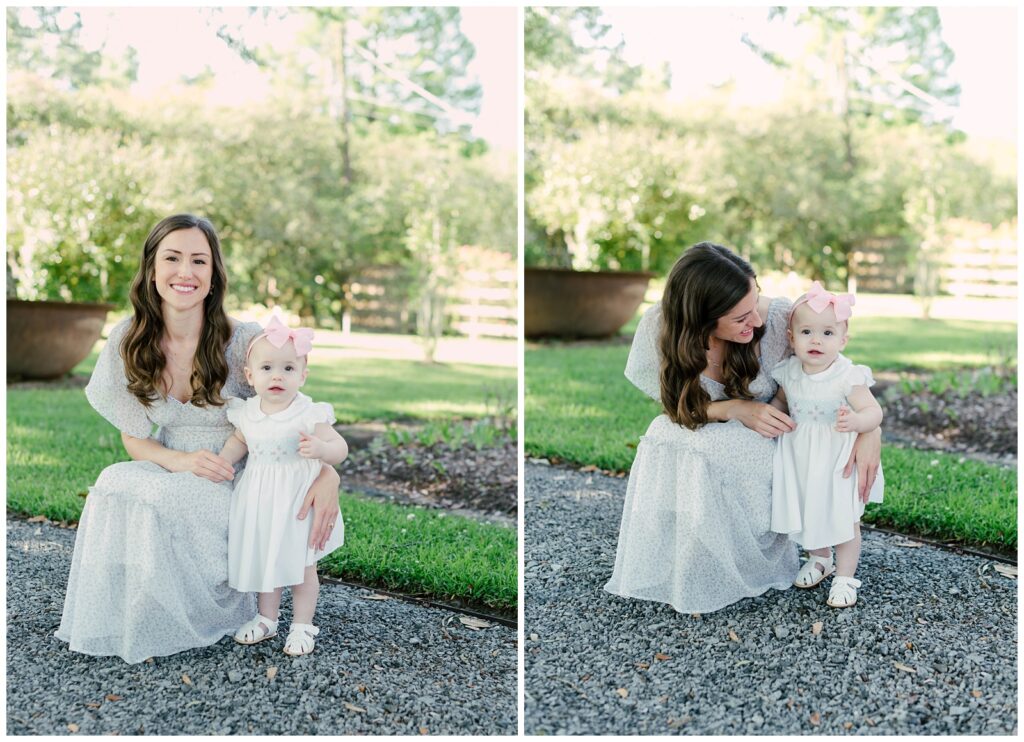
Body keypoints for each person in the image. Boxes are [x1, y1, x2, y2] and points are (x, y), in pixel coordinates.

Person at [56, 214, 341, 664]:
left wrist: (327, 474)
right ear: (152, 270)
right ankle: (132, 612)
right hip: (174, 459)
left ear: (213, 276)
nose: (185, 272)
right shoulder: (128, 340)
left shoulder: (243, 339)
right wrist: (180, 461)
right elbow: (136, 440)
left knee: (168, 500)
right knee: (113, 481)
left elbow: (295, 414)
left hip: (242, 474)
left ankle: (200, 610)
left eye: (198, 261)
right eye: (172, 258)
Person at [604, 242, 881, 614]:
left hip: (783, 442)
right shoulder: (661, 329)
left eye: (755, 303)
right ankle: (695, 556)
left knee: (716, 449)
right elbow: (678, 409)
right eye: (740, 318)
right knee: (664, 437)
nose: (755, 321)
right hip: (720, 426)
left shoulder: (781, 318)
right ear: (702, 320)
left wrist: (869, 431)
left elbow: (835, 374)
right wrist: (735, 409)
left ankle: (762, 558)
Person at [220, 316, 348, 656]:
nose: (277, 376)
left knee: (302, 566)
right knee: (268, 560)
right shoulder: (247, 413)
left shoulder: (307, 413)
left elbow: (340, 447)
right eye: (267, 367)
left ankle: (303, 626)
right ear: (250, 376)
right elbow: (239, 441)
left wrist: (322, 451)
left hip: (297, 501)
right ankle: (267, 619)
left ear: (303, 375)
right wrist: (223, 460)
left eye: (289, 368)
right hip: (260, 499)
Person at [768, 282, 884, 608]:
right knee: (808, 509)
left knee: (843, 516)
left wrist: (858, 423)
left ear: (843, 340)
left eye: (828, 333)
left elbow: (874, 411)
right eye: (806, 331)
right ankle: (820, 557)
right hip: (800, 455)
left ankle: (845, 577)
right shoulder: (789, 372)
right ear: (791, 338)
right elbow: (780, 401)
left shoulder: (847, 375)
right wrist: (772, 417)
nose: (816, 340)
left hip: (837, 458)